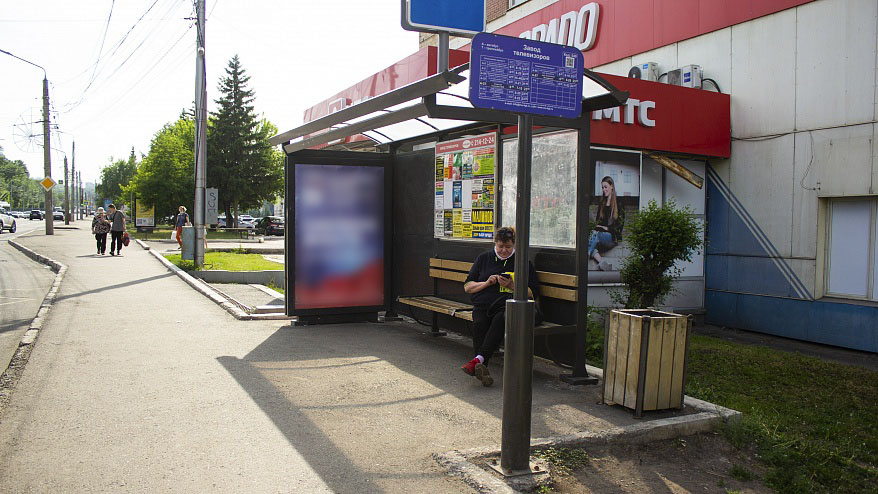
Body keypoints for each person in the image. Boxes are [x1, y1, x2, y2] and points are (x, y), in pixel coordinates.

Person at [461, 226, 540, 387]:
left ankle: (478, 362)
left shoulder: (523, 262)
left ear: (514, 245)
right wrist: (487, 283)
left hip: (507, 305)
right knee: (480, 323)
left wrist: (512, 286)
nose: (504, 250)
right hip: (483, 305)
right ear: (495, 244)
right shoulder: (484, 258)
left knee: (501, 318)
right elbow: (468, 286)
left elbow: (532, 293)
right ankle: (480, 365)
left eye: (508, 247)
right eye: (500, 246)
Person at [589, 176, 624, 271]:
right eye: (602, 187)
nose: (604, 189)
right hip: (599, 235)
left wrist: (606, 228)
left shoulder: (619, 203)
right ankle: (602, 263)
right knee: (590, 238)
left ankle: (584, 257)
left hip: (612, 238)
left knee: (594, 236)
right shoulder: (602, 203)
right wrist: (598, 227)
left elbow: (619, 228)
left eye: (606, 187)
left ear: (612, 186)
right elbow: (597, 223)